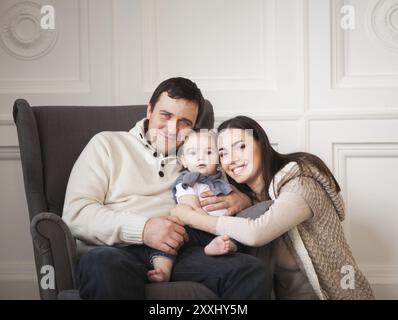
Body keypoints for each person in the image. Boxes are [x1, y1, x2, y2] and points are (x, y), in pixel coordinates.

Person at [62, 78, 271, 299]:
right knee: (100, 264)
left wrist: (243, 200)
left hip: (181, 251)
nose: (173, 129)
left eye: (185, 122)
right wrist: (144, 229)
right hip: (116, 251)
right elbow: (76, 214)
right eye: (166, 115)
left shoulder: (197, 157)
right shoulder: (107, 145)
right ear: (149, 110)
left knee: (251, 271)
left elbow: (240, 178)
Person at [171, 115, 375, 300]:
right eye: (223, 153)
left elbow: (257, 232)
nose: (231, 159)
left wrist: (189, 216)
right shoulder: (244, 200)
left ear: (262, 144)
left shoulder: (301, 182)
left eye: (240, 147)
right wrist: (248, 203)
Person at [147, 129, 243, 283]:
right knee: (169, 238)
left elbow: (238, 202)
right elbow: (190, 207)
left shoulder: (224, 181)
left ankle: (219, 247)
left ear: (219, 159)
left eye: (209, 152)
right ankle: (162, 269)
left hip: (221, 230)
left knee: (241, 235)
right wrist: (214, 225)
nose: (201, 157)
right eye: (193, 153)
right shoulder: (188, 181)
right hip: (194, 229)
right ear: (184, 161)